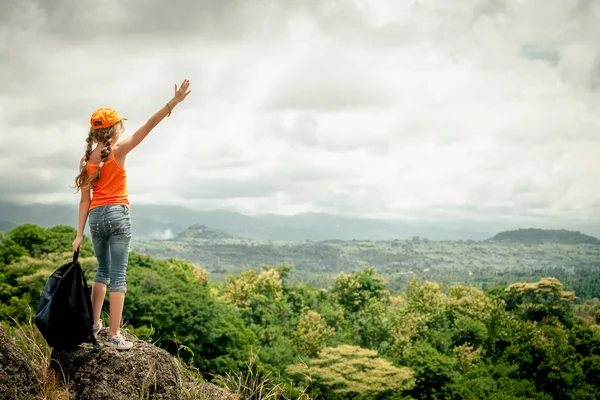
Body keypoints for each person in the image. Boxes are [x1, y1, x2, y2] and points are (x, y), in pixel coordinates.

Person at [71, 80, 191, 350]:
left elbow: (83, 201)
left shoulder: (86, 161)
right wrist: (173, 103)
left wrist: (79, 234)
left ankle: (94, 324)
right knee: (119, 275)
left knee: (101, 271)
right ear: (115, 129)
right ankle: (115, 334)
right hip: (117, 215)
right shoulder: (118, 151)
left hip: (96, 219)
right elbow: (149, 125)